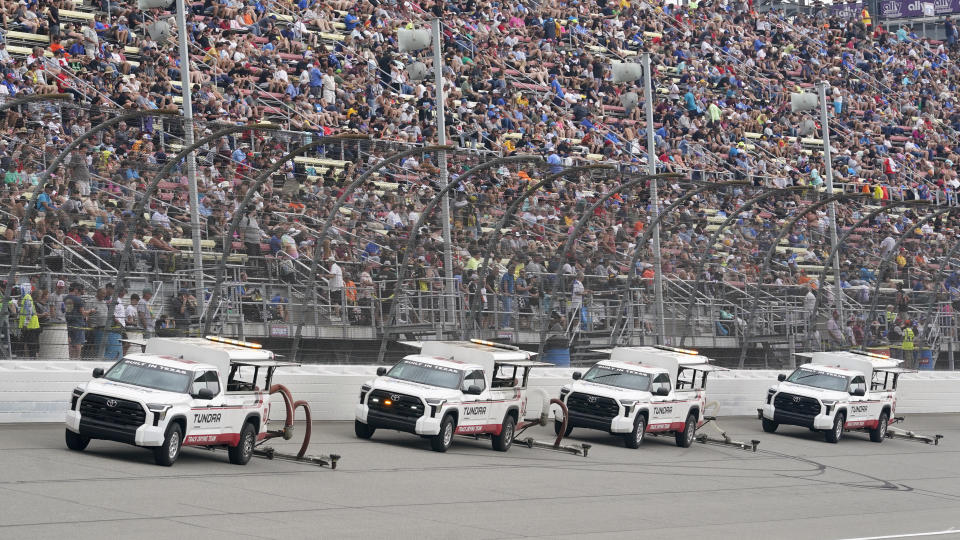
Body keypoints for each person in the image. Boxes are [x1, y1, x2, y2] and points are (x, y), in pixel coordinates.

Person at [64, 283, 91, 360]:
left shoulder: (65, 298)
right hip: (78, 323)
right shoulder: (78, 299)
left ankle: (71, 358)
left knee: (70, 343)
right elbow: (83, 313)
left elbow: (67, 310)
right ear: (75, 289)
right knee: (78, 343)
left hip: (69, 323)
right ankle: (77, 359)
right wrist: (91, 311)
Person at [17, 283, 40, 358]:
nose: (20, 291)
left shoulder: (27, 297)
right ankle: (31, 358)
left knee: (30, 346)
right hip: (30, 327)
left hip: (29, 327)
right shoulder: (26, 297)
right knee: (29, 345)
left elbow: (29, 312)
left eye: (21, 289)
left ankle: (32, 359)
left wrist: (25, 324)